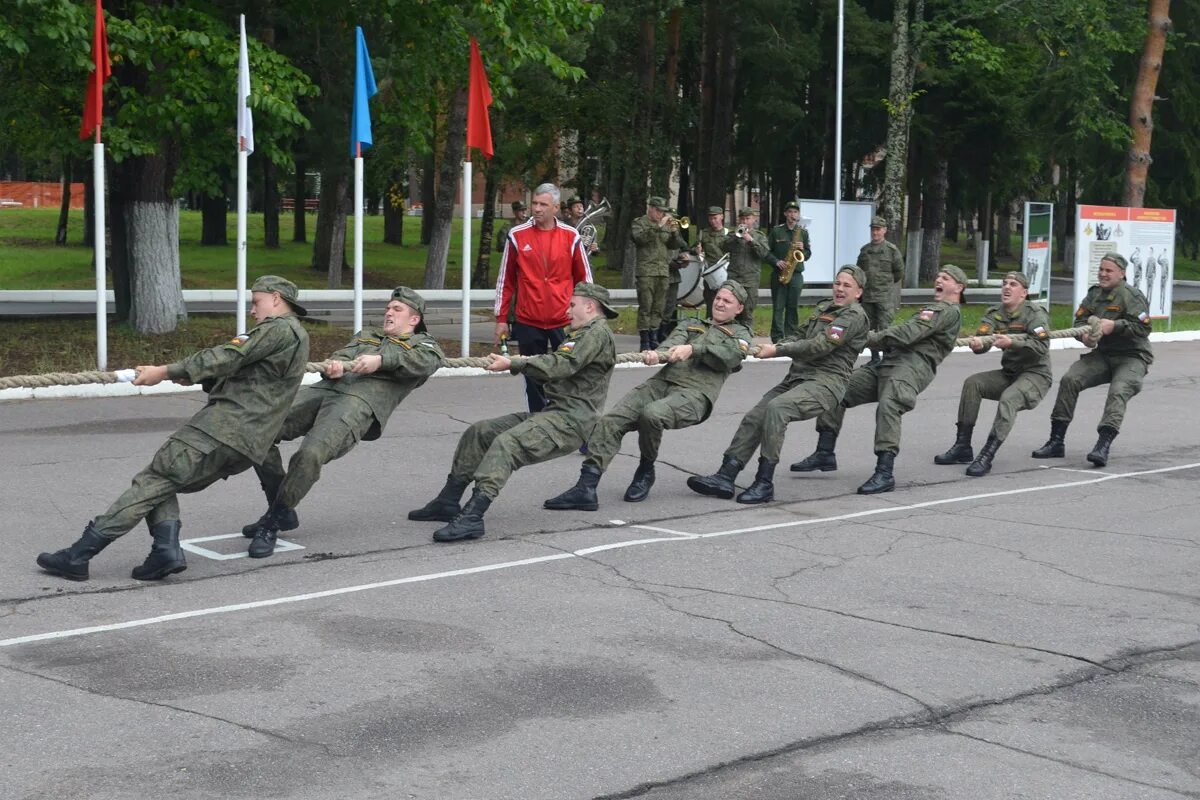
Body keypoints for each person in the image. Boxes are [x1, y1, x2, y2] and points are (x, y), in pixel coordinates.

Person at [35, 276, 310, 582]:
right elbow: (257, 381)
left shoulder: (276, 329)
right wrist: (194, 376)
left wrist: (165, 371)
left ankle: (78, 556)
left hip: (220, 429)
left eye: (256, 302)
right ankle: (163, 553)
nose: (252, 310)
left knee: (154, 479)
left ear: (275, 298)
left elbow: (228, 355)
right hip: (249, 445)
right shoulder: (299, 337)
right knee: (164, 482)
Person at [240, 287, 444, 557]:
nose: (388, 313)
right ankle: (281, 506)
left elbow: (423, 363)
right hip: (323, 392)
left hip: (357, 404)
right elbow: (344, 354)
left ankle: (273, 521)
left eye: (397, 309)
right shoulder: (369, 335)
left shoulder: (425, 345)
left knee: (310, 454)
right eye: (388, 308)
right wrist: (336, 365)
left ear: (414, 319)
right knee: (257, 430)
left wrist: (380, 360)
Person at [409, 283, 618, 542]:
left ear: (590, 306)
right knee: (481, 432)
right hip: (554, 414)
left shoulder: (595, 333)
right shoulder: (584, 333)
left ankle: (473, 517)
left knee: (507, 445)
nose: (568, 310)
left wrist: (514, 362)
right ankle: (448, 501)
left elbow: (561, 365)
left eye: (572, 304)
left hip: (571, 423)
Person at [544, 281, 752, 510]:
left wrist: (694, 349)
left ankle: (646, 469)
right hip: (661, 383)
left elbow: (732, 356)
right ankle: (586, 487)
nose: (720, 303)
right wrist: (658, 354)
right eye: (719, 298)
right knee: (611, 421)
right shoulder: (691, 323)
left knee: (652, 414)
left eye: (727, 301)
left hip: (696, 394)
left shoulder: (740, 334)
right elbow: (672, 344)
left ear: (739, 309)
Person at [688, 266, 870, 504]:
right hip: (797, 378)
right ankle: (726, 475)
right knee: (756, 415)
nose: (839, 289)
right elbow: (800, 334)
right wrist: (782, 343)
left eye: (847, 285)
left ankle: (764, 483)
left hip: (826, 383)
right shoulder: (824, 308)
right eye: (837, 283)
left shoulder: (853, 316)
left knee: (778, 409)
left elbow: (819, 346)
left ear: (859, 292)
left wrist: (777, 350)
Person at [791, 265, 966, 494]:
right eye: (938, 276)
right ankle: (824, 452)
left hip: (912, 368)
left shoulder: (946, 311)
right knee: (837, 387)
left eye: (946, 278)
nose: (938, 280)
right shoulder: (932, 309)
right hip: (888, 362)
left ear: (959, 288)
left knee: (889, 405)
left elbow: (905, 334)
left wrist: (861, 336)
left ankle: (885, 472)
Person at [1031, 253, 1152, 467]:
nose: (1103, 274)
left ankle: (1102, 445)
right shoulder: (1094, 295)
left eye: (1109, 271)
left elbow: (1144, 328)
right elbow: (1080, 320)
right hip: (1103, 355)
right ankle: (1056, 441)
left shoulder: (1132, 296)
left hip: (1132, 356)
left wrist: (1114, 326)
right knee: (1070, 379)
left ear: (1122, 274)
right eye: (1101, 270)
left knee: (1119, 390)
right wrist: (1084, 336)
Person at [933, 272, 1051, 476]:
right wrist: (979, 344)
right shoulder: (995, 312)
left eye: (1013, 285)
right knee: (973, 383)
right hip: (1010, 373)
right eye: (1004, 284)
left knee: (1009, 398)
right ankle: (963, 446)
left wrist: (1012, 342)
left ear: (1023, 293)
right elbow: (983, 339)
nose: (1006, 288)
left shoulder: (1035, 314)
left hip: (1036, 375)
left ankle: (987, 454)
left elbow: (1042, 345)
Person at [495, 183, 593, 413]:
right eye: (535, 204)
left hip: (564, 321)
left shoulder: (571, 236)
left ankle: (576, 426)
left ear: (556, 208)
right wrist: (501, 318)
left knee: (569, 376)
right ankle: (538, 427)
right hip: (528, 321)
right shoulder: (517, 235)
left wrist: (588, 317)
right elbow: (505, 281)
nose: (537, 209)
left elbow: (585, 280)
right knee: (534, 378)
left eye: (543, 205)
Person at [632, 196, 687, 351]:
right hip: (646, 272)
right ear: (650, 209)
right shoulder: (639, 223)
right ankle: (644, 340)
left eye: (662, 211)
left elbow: (674, 245)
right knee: (646, 306)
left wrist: (675, 232)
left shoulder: (666, 225)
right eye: (658, 211)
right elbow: (640, 239)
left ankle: (654, 337)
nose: (660, 214)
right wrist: (658, 226)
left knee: (659, 307)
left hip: (663, 271)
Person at [857, 215, 906, 364]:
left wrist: (886, 285)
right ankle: (874, 357)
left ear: (884, 230)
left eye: (878, 229)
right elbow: (859, 272)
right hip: (867, 296)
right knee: (869, 329)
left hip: (884, 297)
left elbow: (899, 272)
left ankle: (887, 358)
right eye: (873, 229)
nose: (875, 233)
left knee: (884, 328)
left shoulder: (891, 250)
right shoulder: (865, 251)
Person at [767, 200, 812, 343]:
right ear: (785, 214)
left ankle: (792, 336)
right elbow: (766, 252)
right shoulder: (776, 231)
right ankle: (777, 338)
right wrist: (776, 262)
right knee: (778, 307)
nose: (793, 214)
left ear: (798, 215)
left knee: (793, 307)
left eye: (795, 212)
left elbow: (808, 255)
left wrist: (802, 249)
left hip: (796, 274)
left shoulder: (803, 233)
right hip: (779, 273)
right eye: (790, 212)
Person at [723, 207, 772, 331]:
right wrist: (736, 236)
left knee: (747, 313)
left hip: (750, 281)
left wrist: (751, 240)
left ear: (754, 220)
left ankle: (746, 342)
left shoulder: (759, 236)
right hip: (734, 279)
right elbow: (723, 246)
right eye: (743, 218)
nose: (745, 221)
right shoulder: (733, 234)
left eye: (748, 218)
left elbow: (764, 253)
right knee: (730, 311)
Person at [698, 206, 729, 316]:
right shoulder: (704, 233)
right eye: (710, 218)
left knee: (725, 304)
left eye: (715, 218)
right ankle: (710, 327)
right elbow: (694, 249)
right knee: (710, 304)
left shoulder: (728, 234)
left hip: (724, 274)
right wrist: (697, 249)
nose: (713, 221)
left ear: (722, 217)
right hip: (709, 274)